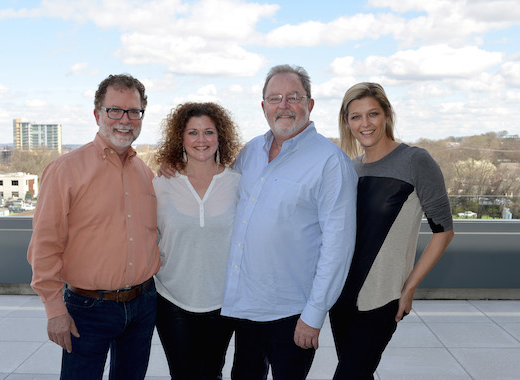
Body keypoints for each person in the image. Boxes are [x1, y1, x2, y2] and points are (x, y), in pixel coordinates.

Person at [220, 64, 358, 380]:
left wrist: (314, 314)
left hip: (293, 314)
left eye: (293, 97)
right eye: (274, 98)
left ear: (309, 105)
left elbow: (338, 248)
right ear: (263, 106)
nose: (283, 105)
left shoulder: (330, 162)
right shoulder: (252, 150)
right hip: (246, 307)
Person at [27, 74, 160, 379]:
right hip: (87, 310)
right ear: (97, 113)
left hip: (143, 305)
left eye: (133, 111)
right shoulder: (66, 170)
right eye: (115, 110)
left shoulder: (146, 173)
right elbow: (45, 245)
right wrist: (54, 310)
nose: (124, 120)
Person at [329, 82, 455, 379]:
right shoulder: (350, 168)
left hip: (382, 297)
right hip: (341, 297)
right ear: (346, 122)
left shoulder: (415, 160)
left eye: (372, 113)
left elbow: (444, 231)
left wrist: (409, 288)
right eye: (355, 116)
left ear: (387, 114)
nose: (365, 123)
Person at [152, 102, 242, 379]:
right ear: (180, 138)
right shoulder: (161, 185)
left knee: (212, 372)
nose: (201, 140)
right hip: (171, 299)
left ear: (220, 137)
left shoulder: (239, 183)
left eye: (208, 132)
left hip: (222, 301)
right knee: (182, 373)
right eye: (192, 133)